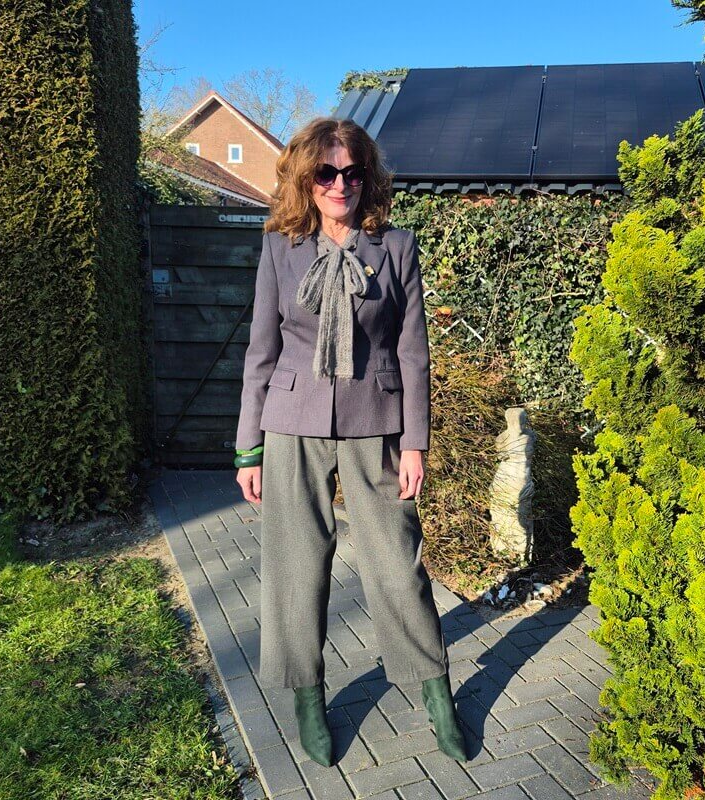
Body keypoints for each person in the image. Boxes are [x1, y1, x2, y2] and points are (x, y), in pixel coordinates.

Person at [234, 117, 467, 766]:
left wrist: (415, 441)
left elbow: (412, 351)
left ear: (368, 178)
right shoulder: (280, 246)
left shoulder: (395, 247)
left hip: (378, 424)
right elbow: (262, 349)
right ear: (307, 179)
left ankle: (434, 689)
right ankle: (308, 695)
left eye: (352, 172)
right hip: (291, 423)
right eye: (327, 173)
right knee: (296, 565)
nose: (341, 184)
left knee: (398, 562)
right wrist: (248, 446)